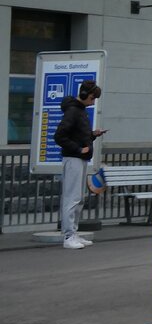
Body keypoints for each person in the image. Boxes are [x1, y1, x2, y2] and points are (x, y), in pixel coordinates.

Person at [54, 80, 106, 250]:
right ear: (84, 95)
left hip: (79, 158)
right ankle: (69, 236)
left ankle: (73, 233)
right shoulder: (73, 111)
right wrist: (78, 149)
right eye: (92, 98)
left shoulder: (79, 111)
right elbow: (59, 136)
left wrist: (92, 135)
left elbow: (76, 135)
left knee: (78, 198)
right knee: (72, 197)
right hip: (73, 158)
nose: (93, 102)